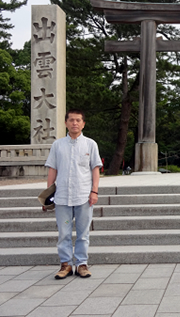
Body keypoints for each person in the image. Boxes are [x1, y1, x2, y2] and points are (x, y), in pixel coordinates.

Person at [44, 109, 102, 279]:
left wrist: (94, 191)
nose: (74, 123)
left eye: (78, 120)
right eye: (71, 120)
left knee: (83, 233)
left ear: (83, 123)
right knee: (64, 232)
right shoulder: (57, 145)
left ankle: (82, 264)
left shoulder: (90, 144)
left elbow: (95, 169)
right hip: (62, 196)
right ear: (66, 123)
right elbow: (52, 169)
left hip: (84, 195)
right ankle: (66, 264)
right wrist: (48, 194)